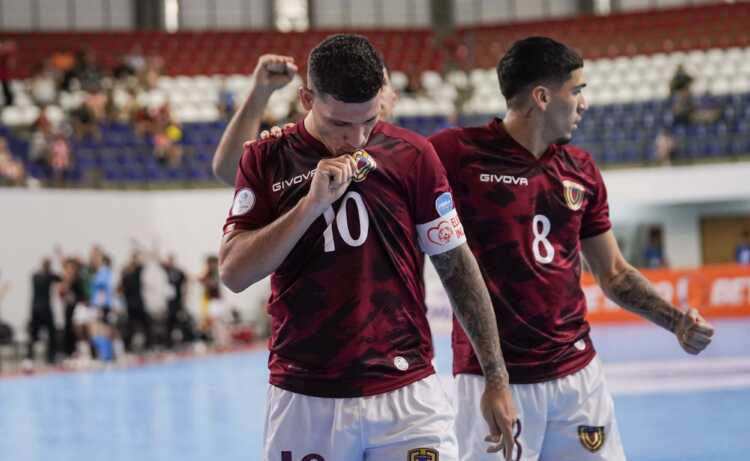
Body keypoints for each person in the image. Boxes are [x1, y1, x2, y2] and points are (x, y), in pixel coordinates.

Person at [218, 34, 518, 461]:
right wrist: (310, 206)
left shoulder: (413, 155)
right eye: (340, 125)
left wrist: (496, 377)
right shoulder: (268, 157)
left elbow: (455, 265)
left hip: (407, 392)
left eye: (369, 121)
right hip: (305, 395)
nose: (356, 138)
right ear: (307, 98)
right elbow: (233, 272)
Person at [428, 37, 715, 461]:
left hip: (578, 377)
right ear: (542, 97)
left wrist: (676, 322)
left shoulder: (580, 169)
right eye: (576, 91)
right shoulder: (456, 154)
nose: (584, 104)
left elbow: (614, 273)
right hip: (495, 380)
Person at [212, 54, 400, 186]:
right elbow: (230, 171)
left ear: (394, 97)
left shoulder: (416, 160)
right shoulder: (300, 155)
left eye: (379, 84)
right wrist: (260, 92)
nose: (366, 95)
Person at [27, 258, 62, 364]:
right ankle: (45, 357)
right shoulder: (45, 276)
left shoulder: (35, 275)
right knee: (44, 334)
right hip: (43, 309)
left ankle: (31, 357)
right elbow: (60, 278)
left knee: (38, 335)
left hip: (36, 309)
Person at [118, 251, 154, 352]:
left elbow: (143, 261)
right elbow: (120, 288)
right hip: (130, 304)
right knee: (130, 326)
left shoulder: (137, 271)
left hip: (138, 303)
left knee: (146, 324)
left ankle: (148, 345)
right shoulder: (126, 273)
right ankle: (127, 347)